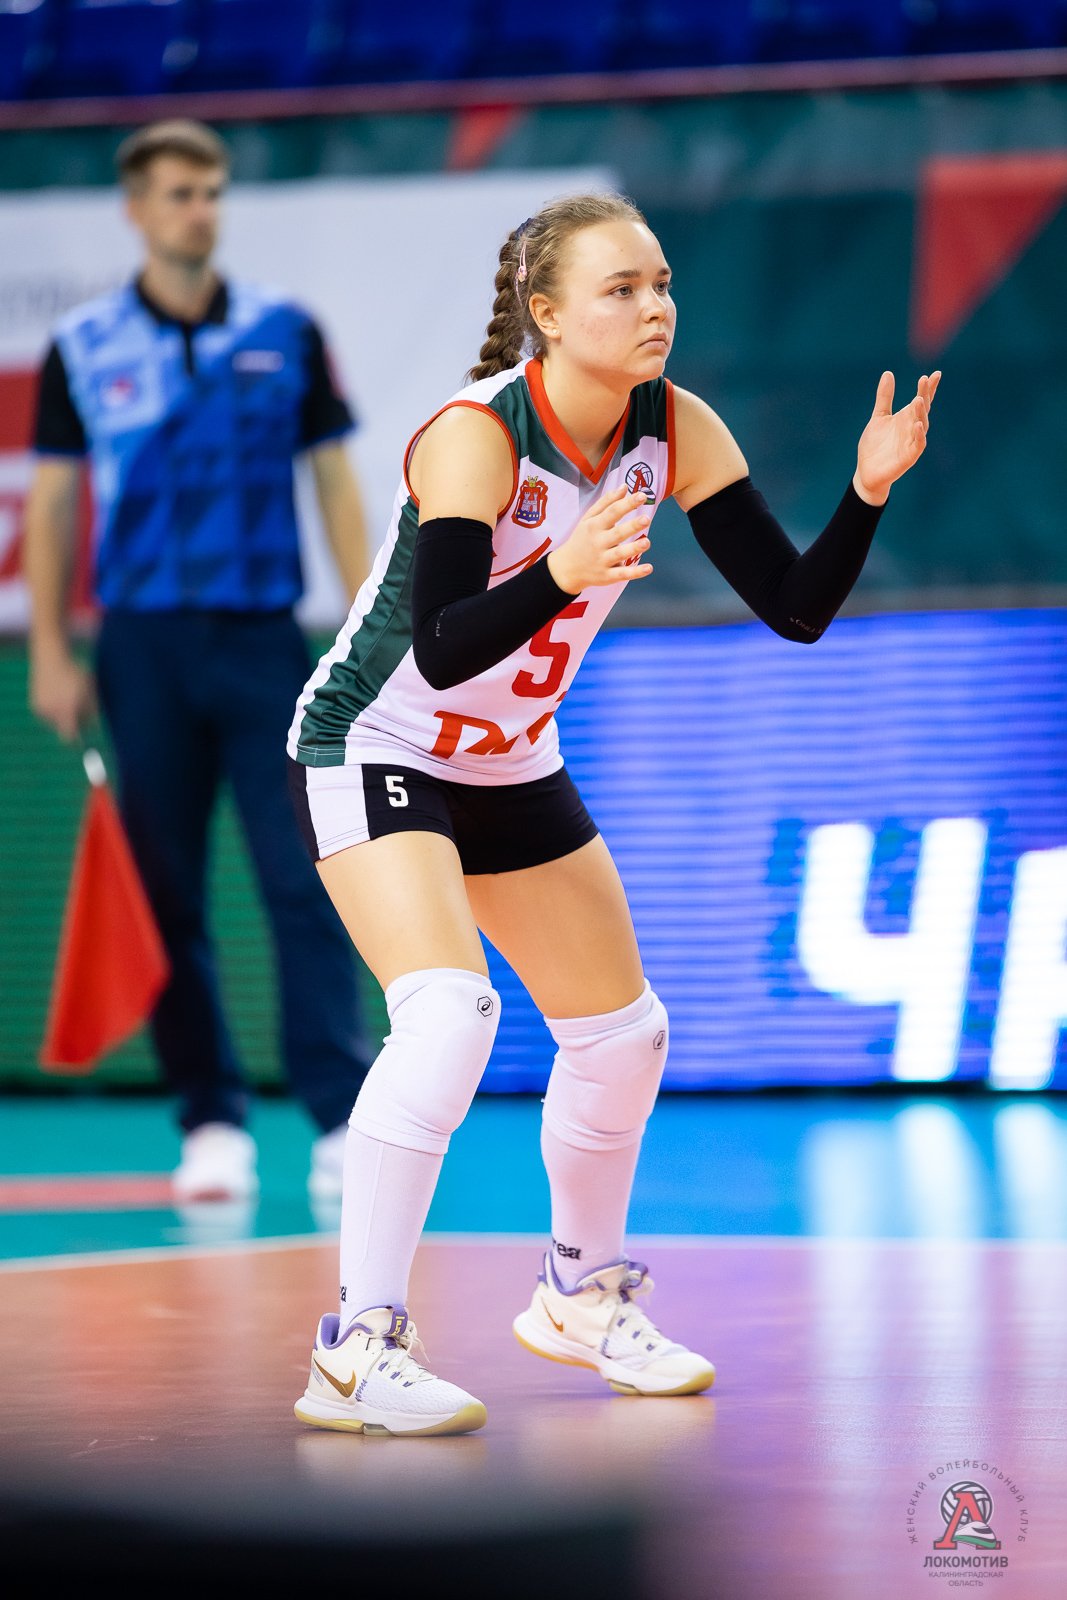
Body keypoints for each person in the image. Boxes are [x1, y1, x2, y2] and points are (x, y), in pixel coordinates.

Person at [285, 192, 940, 1437]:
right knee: (448, 1014)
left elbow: (795, 608)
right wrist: (559, 570)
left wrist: (863, 493)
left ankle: (578, 1295)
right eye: (621, 289)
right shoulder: (476, 436)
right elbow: (438, 643)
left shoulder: (674, 426)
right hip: (375, 742)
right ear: (544, 313)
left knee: (624, 1036)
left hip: (508, 758)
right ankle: (357, 1344)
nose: (654, 309)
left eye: (662, 283)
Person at [24, 119, 374, 1207]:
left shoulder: (285, 330)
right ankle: (211, 1119)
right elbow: (53, 502)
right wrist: (51, 648)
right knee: (165, 889)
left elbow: (333, 480)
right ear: (136, 209)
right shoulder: (81, 346)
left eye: (212, 191)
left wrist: (370, 624)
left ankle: (341, 1116)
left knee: (304, 876)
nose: (199, 210)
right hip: (143, 647)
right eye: (179, 193)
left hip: (265, 641)